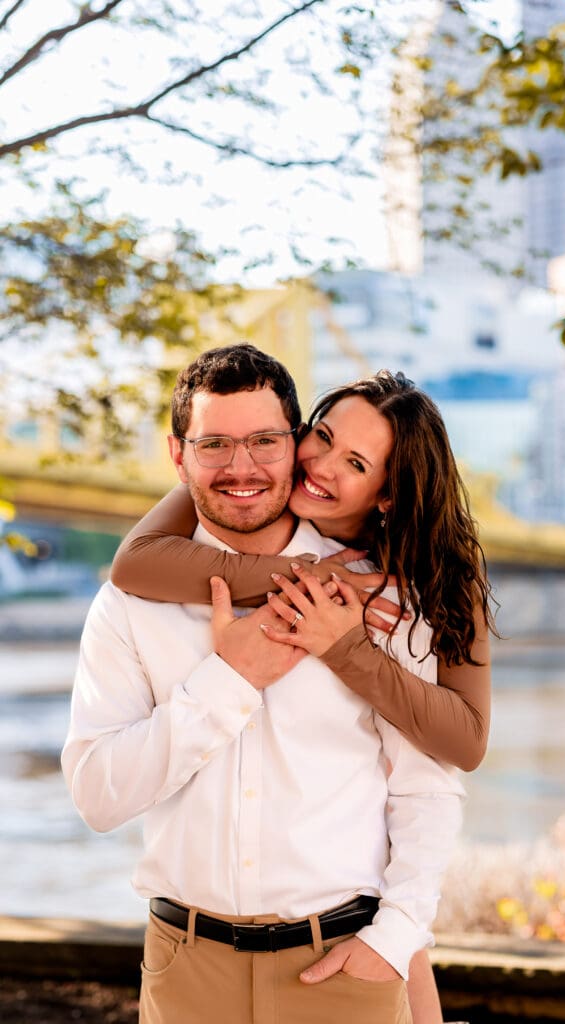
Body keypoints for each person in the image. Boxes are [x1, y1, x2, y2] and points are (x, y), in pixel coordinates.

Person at [62, 344, 466, 1024]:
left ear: (296, 445)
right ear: (177, 454)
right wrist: (230, 680)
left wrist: (393, 941)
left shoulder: (381, 597)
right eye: (213, 443)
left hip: (343, 967)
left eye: (263, 441)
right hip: (184, 969)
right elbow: (99, 796)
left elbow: (423, 789)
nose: (240, 467)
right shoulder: (129, 606)